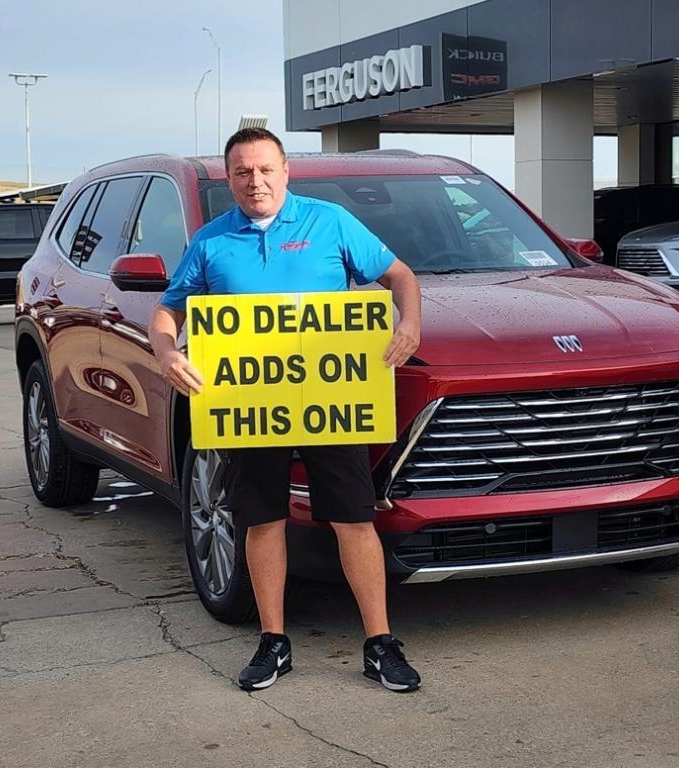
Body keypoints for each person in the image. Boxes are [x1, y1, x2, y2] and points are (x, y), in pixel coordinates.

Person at [149, 127, 423, 693]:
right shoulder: (210, 242)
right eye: (243, 172)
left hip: (332, 401)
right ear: (229, 179)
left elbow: (400, 277)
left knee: (354, 517)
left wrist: (410, 323)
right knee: (261, 518)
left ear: (286, 171)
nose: (256, 182)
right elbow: (168, 311)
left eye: (266, 169)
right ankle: (273, 642)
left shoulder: (330, 222)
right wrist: (166, 351)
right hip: (251, 405)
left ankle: (379, 643)